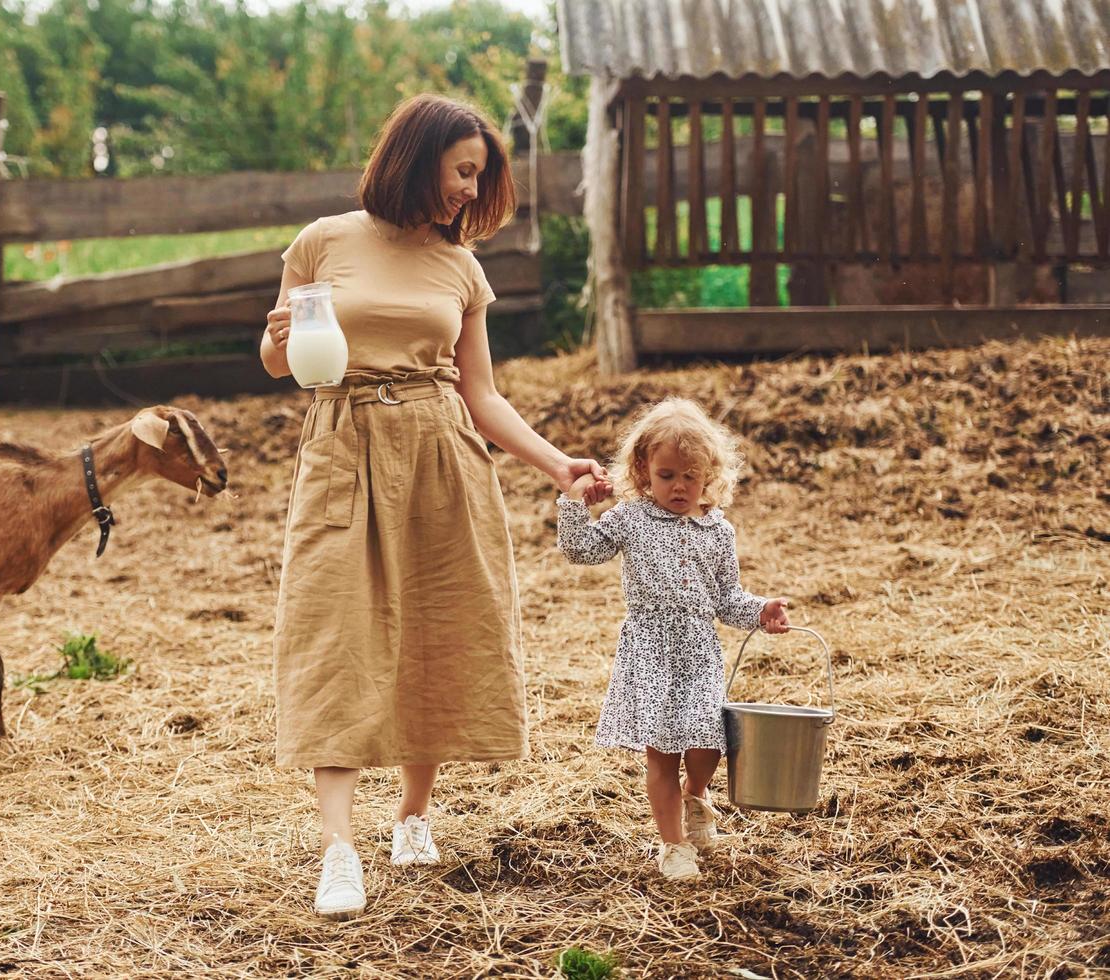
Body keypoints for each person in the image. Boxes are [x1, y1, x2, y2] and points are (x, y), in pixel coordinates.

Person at [260, 93, 609, 920]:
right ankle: (338, 849)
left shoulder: (462, 267)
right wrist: (277, 338)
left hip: (441, 448)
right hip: (342, 442)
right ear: (417, 161)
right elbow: (281, 364)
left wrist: (558, 464)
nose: (467, 189)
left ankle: (412, 816)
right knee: (335, 633)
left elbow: (482, 393)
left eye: (477, 175)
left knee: (437, 627)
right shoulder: (323, 241)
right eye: (461, 171)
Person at [555, 397, 790, 880]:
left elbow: (728, 599)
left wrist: (761, 610)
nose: (679, 487)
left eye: (691, 476)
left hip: (700, 649)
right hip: (650, 649)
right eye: (666, 476)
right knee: (661, 750)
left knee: (709, 740)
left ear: (710, 475)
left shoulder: (717, 530)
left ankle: (697, 796)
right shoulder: (631, 518)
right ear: (643, 470)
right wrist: (573, 503)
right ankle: (673, 845)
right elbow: (582, 550)